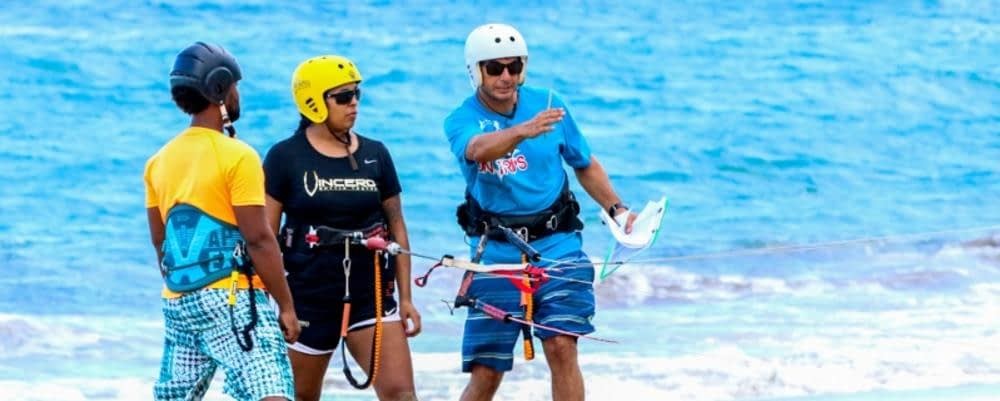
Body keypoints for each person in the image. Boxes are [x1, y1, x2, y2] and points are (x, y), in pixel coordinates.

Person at [443, 23, 637, 401]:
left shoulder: (549, 102)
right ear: (475, 70)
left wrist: (616, 208)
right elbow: (478, 150)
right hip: (495, 254)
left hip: (559, 245)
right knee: (486, 371)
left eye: (514, 67)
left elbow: (583, 162)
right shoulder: (460, 119)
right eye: (494, 68)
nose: (506, 77)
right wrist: (523, 131)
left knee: (562, 346)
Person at [144, 42, 300, 401]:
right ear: (219, 88)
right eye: (235, 86)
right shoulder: (238, 156)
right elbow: (259, 238)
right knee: (270, 391)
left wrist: (188, 289)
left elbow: (161, 243)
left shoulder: (158, 161)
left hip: (178, 300)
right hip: (231, 298)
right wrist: (287, 306)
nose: (237, 94)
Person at [263, 55, 422, 401]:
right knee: (301, 397)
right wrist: (277, 304)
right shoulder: (284, 158)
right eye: (343, 97)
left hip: (371, 297)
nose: (354, 105)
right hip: (307, 300)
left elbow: (397, 227)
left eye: (357, 95)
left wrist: (407, 298)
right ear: (314, 102)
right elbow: (265, 239)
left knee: (402, 395)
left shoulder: (376, 154)